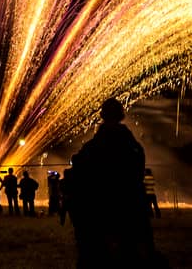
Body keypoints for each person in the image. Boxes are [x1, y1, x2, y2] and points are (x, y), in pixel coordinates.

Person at [70, 98, 154, 267]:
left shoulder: (93, 146)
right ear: (121, 115)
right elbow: (137, 172)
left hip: (100, 209)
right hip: (129, 207)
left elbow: (80, 169)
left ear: (102, 115)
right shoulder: (133, 146)